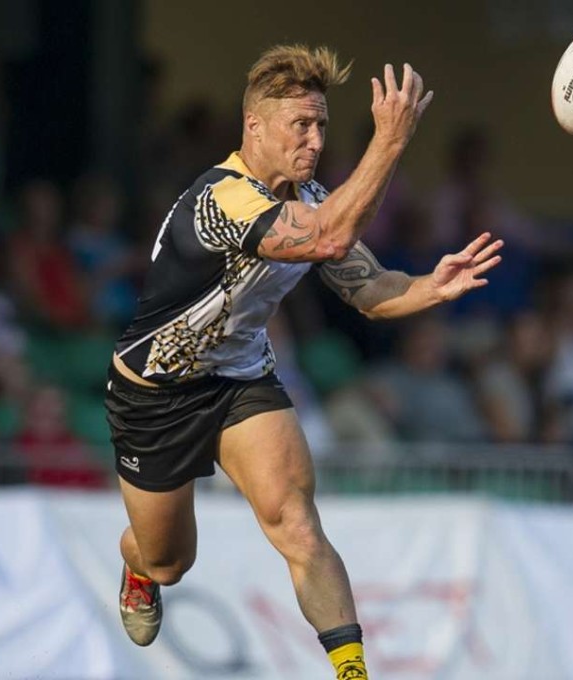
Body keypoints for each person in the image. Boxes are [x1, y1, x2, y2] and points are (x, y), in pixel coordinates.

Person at [105, 45, 502, 680]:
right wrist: (390, 141)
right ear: (255, 127)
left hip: (240, 377)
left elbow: (369, 290)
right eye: (301, 125)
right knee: (169, 561)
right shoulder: (221, 199)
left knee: (297, 524)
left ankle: (352, 671)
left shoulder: (313, 196)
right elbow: (327, 236)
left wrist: (431, 285)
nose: (315, 140)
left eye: (320, 125)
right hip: (157, 390)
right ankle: (137, 564)